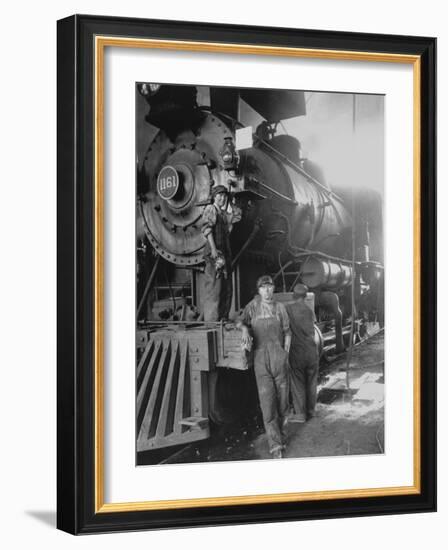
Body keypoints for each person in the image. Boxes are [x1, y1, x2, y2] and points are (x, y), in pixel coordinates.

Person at [239, 275, 291, 459]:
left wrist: (285, 353)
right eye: (263, 288)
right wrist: (245, 329)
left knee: (283, 404)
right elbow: (241, 321)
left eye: (270, 287)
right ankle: (275, 445)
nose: (267, 291)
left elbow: (287, 332)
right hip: (261, 362)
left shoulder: (280, 308)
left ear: (273, 289)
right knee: (268, 405)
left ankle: (282, 435)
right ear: (259, 290)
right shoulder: (252, 307)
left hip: (279, 360)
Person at [201, 185, 235, 321]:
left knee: (226, 287)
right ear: (214, 197)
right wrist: (214, 249)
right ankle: (212, 322)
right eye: (219, 195)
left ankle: (222, 318)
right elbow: (207, 229)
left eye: (224, 196)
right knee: (214, 288)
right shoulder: (211, 209)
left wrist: (231, 202)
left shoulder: (223, 213)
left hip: (224, 254)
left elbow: (235, 216)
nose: (222, 198)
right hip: (215, 253)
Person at [286, 284, 319, 422]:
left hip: (297, 351)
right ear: (305, 296)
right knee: (311, 382)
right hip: (312, 351)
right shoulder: (309, 310)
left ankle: (300, 415)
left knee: (298, 382)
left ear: (294, 295)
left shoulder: (288, 309)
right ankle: (311, 411)